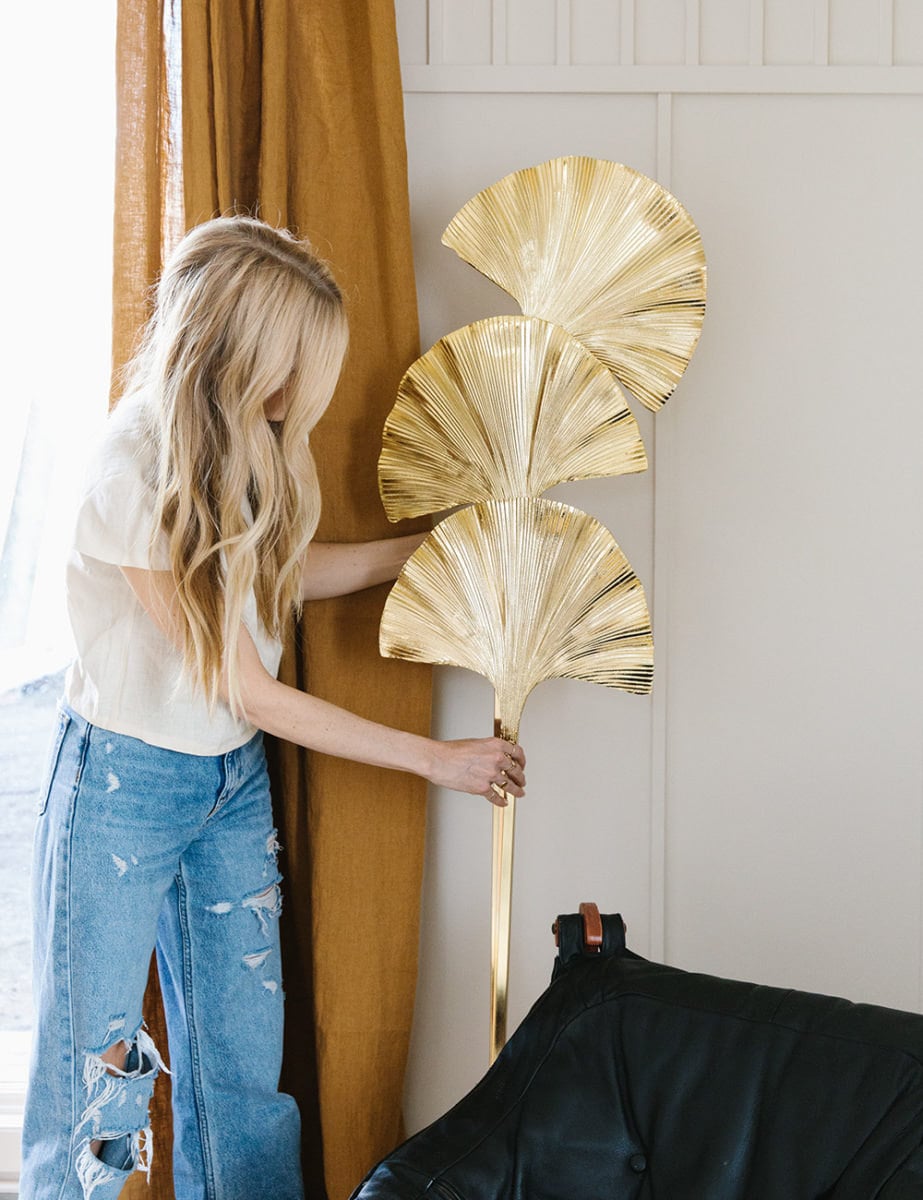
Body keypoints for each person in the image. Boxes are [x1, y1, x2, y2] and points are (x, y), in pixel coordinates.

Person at [20, 215, 526, 1200]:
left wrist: (427, 549)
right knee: (95, 1084)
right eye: (289, 365)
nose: (300, 392)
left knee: (246, 1082)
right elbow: (246, 683)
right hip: (123, 787)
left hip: (228, 782)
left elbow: (274, 580)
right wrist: (437, 760)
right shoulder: (129, 473)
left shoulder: (254, 430)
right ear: (234, 350)